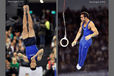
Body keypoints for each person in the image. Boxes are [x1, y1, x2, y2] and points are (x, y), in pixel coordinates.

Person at [18, 5, 44, 71]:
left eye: (31, 65)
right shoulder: (38, 59)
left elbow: (19, 54)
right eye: (33, 65)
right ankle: (28, 11)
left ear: (30, 65)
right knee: (30, 26)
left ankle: (24, 12)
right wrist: (34, 56)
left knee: (24, 27)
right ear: (36, 65)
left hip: (26, 44)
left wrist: (22, 56)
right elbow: (42, 50)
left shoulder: (27, 60)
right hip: (33, 42)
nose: (32, 64)